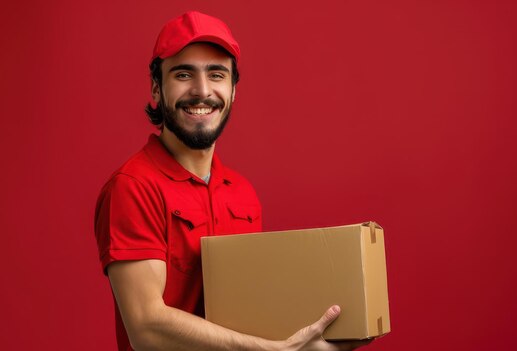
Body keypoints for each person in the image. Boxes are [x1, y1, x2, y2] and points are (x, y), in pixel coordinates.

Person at [94, 10, 371, 351]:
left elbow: (251, 314)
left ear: (233, 89)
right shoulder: (134, 187)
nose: (202, 91)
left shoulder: (242, 194)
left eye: (217, 74)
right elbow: (146, 328)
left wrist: (313, 338)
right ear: (156, 87)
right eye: (183, 74)